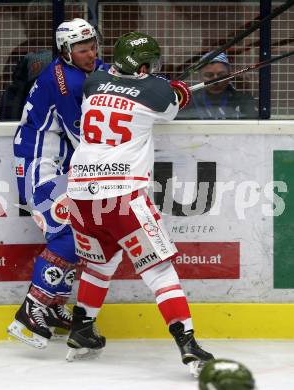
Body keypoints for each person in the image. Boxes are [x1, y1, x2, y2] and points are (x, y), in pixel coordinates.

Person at [65, 31, 214, 377]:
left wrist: (167, 88)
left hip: (81, 196)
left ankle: (82, 329)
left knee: (99, 264)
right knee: (159, 270)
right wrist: (177, 91)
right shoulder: (157, 93)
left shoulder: (94, 81)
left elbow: (134, 88)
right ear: (144, 64)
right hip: (122, 196)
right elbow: (170, 103)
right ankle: (188, 345)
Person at [7, 18, 109, 349]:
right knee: (68, 232)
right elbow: (86, 138)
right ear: (66, 51)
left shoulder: (85, 68)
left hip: (59, 161)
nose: (91, 54)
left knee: (76, 233)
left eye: (93, 46)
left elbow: (114, 78)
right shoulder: (65, 82)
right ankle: (30, 310)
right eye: (82, 50)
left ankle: (52, 308)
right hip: (40, 163)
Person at [176, 52, 258, 119]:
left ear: (229, 76)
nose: (216, 81)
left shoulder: (242, 100)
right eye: (209, 75)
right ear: (200, 77)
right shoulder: (188, 101)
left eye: (221, 75)